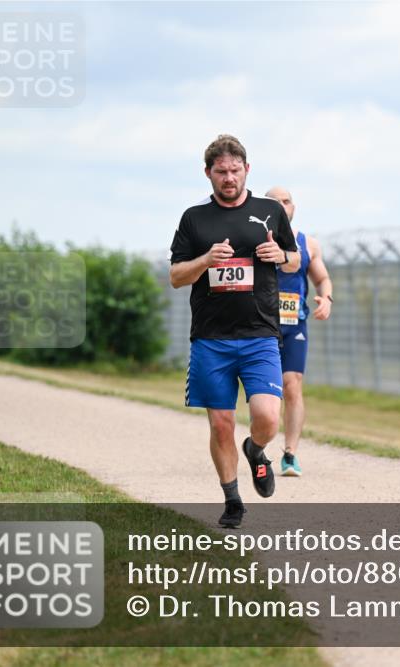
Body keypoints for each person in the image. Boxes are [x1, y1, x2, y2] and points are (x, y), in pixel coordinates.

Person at [169, 135, 301, 529]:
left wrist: (281, 255)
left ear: (247, 169)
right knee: (221, 423)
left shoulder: (269, 211)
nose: (229, 178)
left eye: (235, 170)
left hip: (260, 334)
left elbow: (294, 260)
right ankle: (232, 500)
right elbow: (176, 276)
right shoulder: (194, 218)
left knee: (268, 417)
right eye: (221, 171)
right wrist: (206, 260)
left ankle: (256, 451)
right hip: (211, 338)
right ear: (208, 173)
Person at [265, 187, 332, 477]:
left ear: (294, 207)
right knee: (266, 392)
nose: (282, 206)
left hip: (294, 324)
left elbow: (323, 279)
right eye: (275, 202)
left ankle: (290, 454)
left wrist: (326, 299)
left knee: (292, 384)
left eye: (287, 201)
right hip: (260, 326)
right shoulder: (252, 241)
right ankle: (257, 445)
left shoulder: (308, 244)